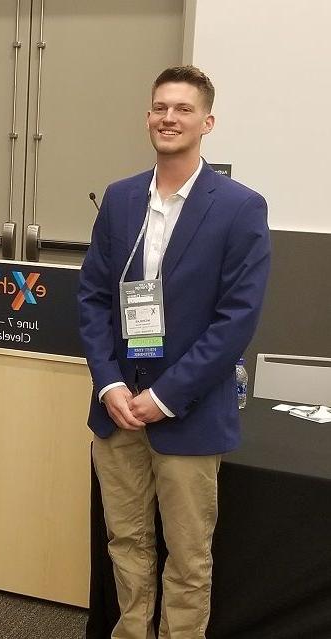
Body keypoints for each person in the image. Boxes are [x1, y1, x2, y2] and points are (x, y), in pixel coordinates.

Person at [78, 66, 270, 638]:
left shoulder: (240, 207)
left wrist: (164, 397)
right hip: (117, 412)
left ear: (207, 122)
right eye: (159, 107)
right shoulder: (119, 199)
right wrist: (110, 385)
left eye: (183, 109)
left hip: (188, 414)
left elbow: (236, 320)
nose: (168, 118)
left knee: (188, 560)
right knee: (127, 544)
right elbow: (91, 298)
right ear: (147, 119)